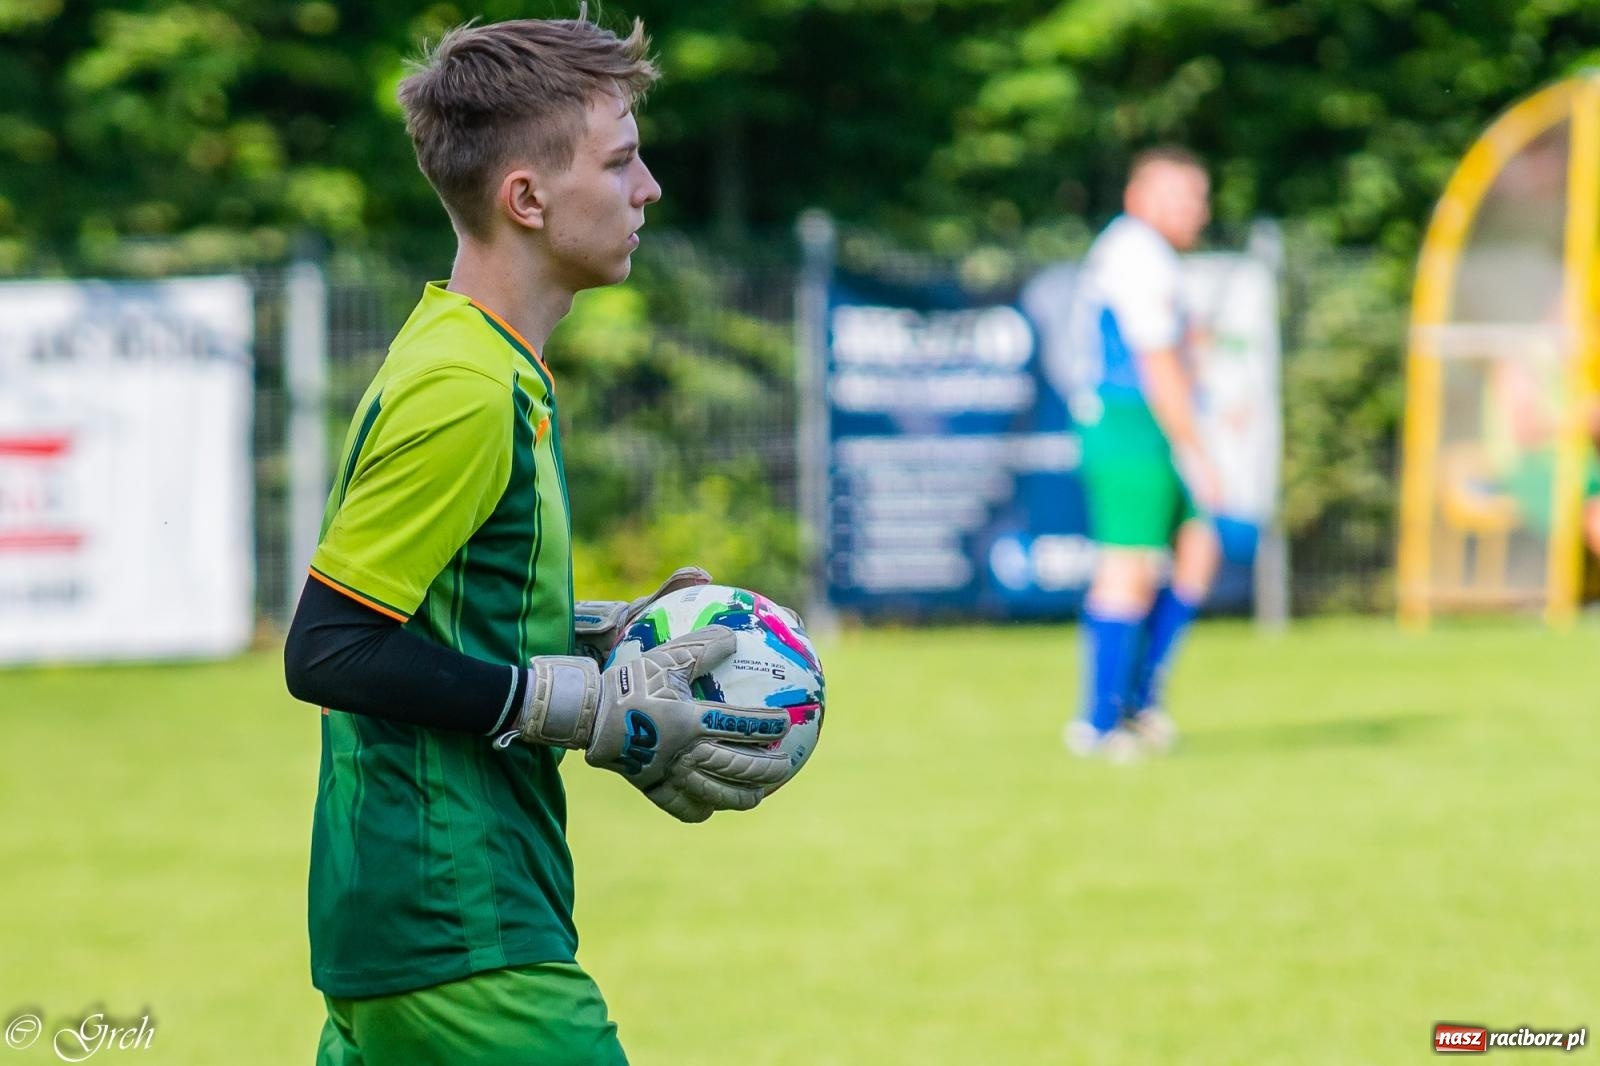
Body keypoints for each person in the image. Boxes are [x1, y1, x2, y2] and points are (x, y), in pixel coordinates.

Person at [281, 15, 795, 1065]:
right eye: (619, 161)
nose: (647, 186)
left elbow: (432, 619)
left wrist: (607, 641)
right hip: (463, 935)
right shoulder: (464, 388)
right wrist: (572, 707)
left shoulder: (475, 358)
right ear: (526, 197)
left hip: (418, 934)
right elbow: (327, 648)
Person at [1063, 147, 1220, 761]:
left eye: (1198, 197)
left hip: (1148, 423)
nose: (1195, 211)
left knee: (1199, 548)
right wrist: (1197, 449)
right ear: (1138, 197)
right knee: (1126, 567)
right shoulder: (1136, 254)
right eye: (1180, 196)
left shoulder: (1153, 257)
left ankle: (1139, 700)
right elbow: (1156, 365)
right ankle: (1099, 722)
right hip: (1129, 423)